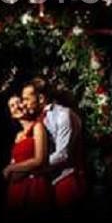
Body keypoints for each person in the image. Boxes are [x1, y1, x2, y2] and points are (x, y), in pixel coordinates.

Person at [20, 78, 85, 209]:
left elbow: (63, 154)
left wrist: (32, 167)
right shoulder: (37, 120)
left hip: (66, 182)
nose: (24, 104)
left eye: (27, 99)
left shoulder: (63, 114)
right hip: (47, 185)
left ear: (41, 98)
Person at [3, 95, 51, 211]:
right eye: (12, 106)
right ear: (11, 114)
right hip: (17, 187)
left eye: (18, 102)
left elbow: (39, 160)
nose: (16, 107)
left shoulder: (37, 127)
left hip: (34, 185)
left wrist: (10, 168)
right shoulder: (18, 136)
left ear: (25, 105)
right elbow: (15, 160)